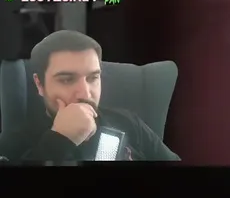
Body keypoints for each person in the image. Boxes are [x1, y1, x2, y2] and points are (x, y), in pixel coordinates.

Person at [0, 30, 179, 162]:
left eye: (93, 78)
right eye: (67, 80)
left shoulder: (130, 123)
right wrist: (60, 140)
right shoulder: (13, 145)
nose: (86, 93)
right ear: (39, 84)